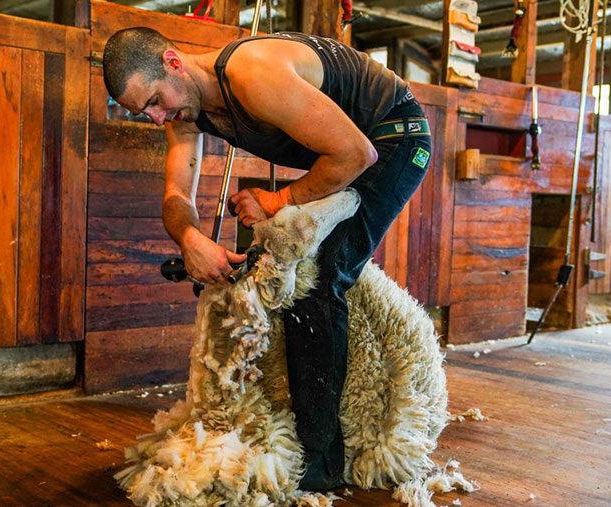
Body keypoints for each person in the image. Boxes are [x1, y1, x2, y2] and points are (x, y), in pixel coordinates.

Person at [102, 27, 432, 491]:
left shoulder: (253, 75)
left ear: (173, 62)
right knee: (296, 273)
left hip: (394, 138)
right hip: (353, 151)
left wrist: (278, 201)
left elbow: (357, 153)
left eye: (155, 100)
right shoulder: (184, 112)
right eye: (146, 112)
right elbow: (177, 192)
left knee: (319, 279)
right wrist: (189, 237)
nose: (157, 118)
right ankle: (322, 429)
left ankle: (320, 464)